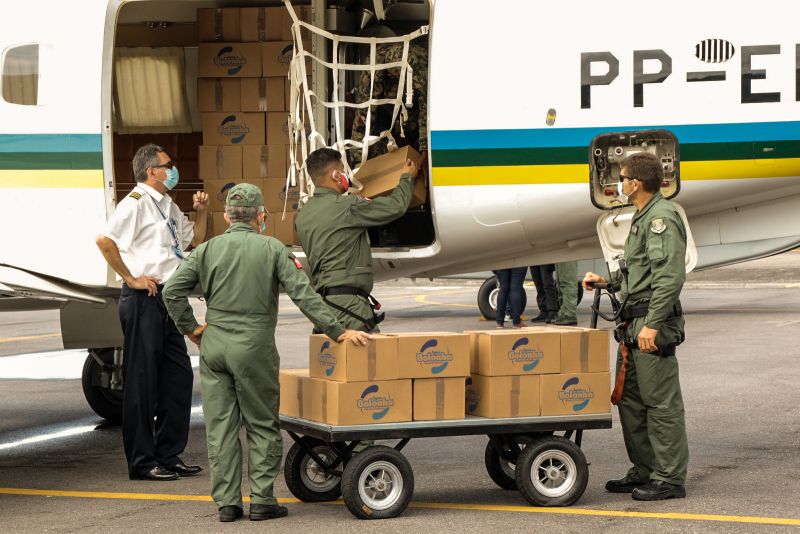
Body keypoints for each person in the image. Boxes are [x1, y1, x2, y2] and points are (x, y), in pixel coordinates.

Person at [162, 183, 371, 523]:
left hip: (214, 345)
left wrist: (192, 329)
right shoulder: (273, 249)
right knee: (261, 424)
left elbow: (172, 291)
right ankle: (261, 500)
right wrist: (337, 330)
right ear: (261, 216)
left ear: (228, 215)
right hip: (254, 346)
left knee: (221, 427)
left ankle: (228, 504)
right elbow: (305, 296)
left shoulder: (207, 250)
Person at [95, 143, 208, 481]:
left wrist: (200, 211)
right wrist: (130, 277)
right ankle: (142, 462)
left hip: (169, 298)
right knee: (142, 382)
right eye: (168, 164)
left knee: (178, 377)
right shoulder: (136, 203)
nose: (174, 169)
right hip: (145, 297)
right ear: (151, 172)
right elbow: (105, 241)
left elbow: (192, 241)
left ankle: (169, 453)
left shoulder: (168, 205)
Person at [582, 152, 688, 501]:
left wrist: (653, 326)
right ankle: (644, 469)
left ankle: (669, 477)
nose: (619, 183)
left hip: (649, 323)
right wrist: (607, 281)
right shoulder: (642, 217)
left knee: (660, 403)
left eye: (623, 177)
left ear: (636, 183)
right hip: (634, 321)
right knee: (630, 401)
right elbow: (638, 273)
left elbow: (669, 278)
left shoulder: (661, 218)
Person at [295, 147, 419, 332]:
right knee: (368, 359)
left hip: (324, 306)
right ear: (336, 175)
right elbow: (396, 207)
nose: (346, 175)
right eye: (343, 171)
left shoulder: (302, 216)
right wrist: (407, 177)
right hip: (350, 305)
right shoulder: (348, 206)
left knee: (333, 360)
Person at [350, 41, 428, 164]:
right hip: (388, 110)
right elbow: (364, 116)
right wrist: (358, 160)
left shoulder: (417, 64)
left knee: (421, 152)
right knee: (374, 143)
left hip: (413, 109)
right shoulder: (373, 71)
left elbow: (426, 108)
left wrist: (425, 147)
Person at [553, 260, 579, 325]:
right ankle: (564, 313)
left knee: (568, 281)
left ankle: (570, 314)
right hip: (561, 254)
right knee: (560, 283)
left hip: (568, 253)